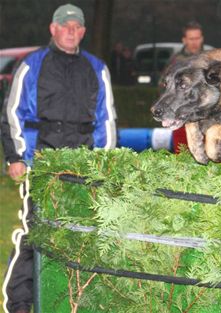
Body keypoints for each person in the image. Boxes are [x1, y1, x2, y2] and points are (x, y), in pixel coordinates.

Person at [1, 4, 117, 313]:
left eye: (76, 26)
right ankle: (21, 303)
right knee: (34, 232)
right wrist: (16, 157)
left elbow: (106, 121)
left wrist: (104, 166)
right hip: (42, 163)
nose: (71, 30)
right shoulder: (32, 65)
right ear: (53, 29)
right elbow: (12, 114)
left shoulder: (97, 68)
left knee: (83, 236)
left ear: (83, 32)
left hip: (83, 168)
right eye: (65, 25)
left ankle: (74, 300)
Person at [160, 21, 206, 153]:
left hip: (204, 118)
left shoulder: (209, 59)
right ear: (184, 40)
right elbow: (163, 87)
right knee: (182, 156)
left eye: (197, 38)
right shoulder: (176, 61)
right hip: (180, 117)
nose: (194, 42)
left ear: (202, 38)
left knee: (210, 157)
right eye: (191, 39)